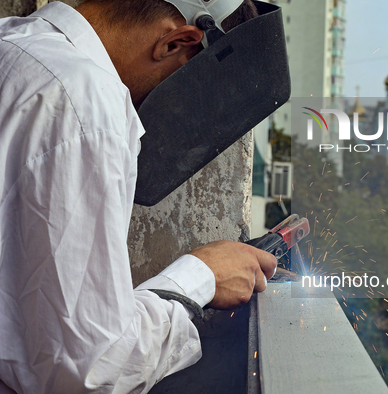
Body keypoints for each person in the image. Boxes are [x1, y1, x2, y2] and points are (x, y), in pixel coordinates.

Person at [0, 0, 277, 393]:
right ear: (176, 42)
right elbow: (90, 370)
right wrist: (201, 277)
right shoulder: (85, 102)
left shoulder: (12, 41)